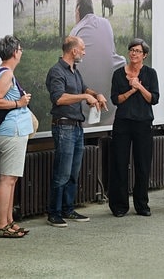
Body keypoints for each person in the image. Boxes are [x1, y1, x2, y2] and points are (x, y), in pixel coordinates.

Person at [45, 35, 108, 227]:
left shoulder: (74, 71)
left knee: (73, 171)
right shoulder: (57, 71)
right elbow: (59, 98)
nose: (84, 52)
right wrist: (83, 97)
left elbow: (83, 88)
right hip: (63, 126)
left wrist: (95, 94)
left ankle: (68, 209)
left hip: (76, 127)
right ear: (73, 51)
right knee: (62, 172)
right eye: (82, 49)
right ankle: (54, 213)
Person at [108, 38, 159, 217]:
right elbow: (116, 99)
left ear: (144, 55)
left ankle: (142, 205)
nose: (133, 53)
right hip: (122, 123)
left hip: (143, 123)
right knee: (120, 164)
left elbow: (153, 99)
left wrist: (139, 86)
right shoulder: (118, 74)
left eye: (137, 51)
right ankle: (119, 206)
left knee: (143, 165)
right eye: (132, 50)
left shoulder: (150, 74)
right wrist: (131, 90)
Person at [0, 35, 33, 237]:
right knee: (7, 179)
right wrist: (19, 103)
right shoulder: (6, 74)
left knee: (11, 179)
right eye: (20, 49)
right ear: (14, 52)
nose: (21, 52)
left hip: (13, 131)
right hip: (11, 131)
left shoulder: (5, 72)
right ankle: (1, 224)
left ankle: (8, 221)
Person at [69, 0, 126, 126]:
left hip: (84, 108)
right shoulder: (106, 23)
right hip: (109, 105)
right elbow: (111, 52)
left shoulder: (75, 31)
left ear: (78, 10)